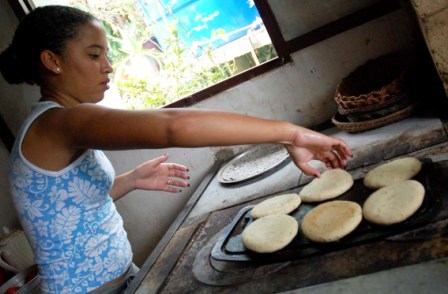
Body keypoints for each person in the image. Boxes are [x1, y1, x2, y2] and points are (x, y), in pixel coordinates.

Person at [0, 5, 352, 293]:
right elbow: (174, 126)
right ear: (53, 61)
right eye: (94, 55)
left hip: (121, 277)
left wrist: (133, 179)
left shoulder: (56, 124)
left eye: (106, 54)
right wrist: (292, 134)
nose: (107, 66)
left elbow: (65, 207)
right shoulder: (58, 123)